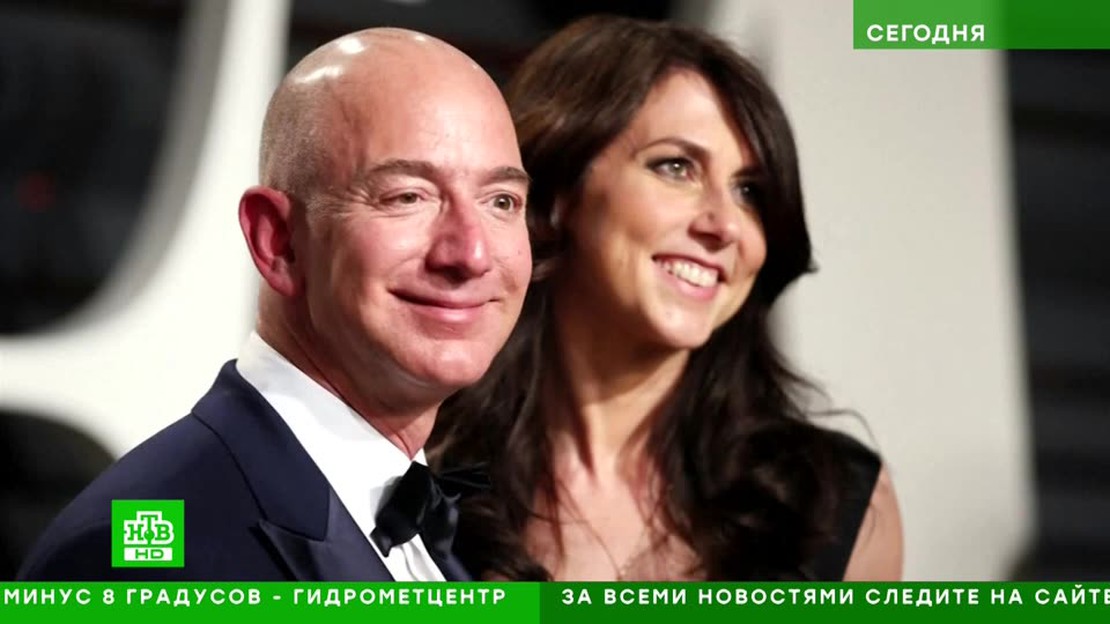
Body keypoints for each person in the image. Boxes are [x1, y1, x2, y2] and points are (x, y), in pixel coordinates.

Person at [18, 28, 531, 581]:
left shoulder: (451, 531)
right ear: (278, 241)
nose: (471, 254)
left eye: (501, 201)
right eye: (407, 196)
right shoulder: (141, 556)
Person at [429, 15, 903, 581]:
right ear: (557, 194)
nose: (724, 225)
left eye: (749, 192)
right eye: (676, 167)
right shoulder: (409, 474)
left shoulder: (838, 505)